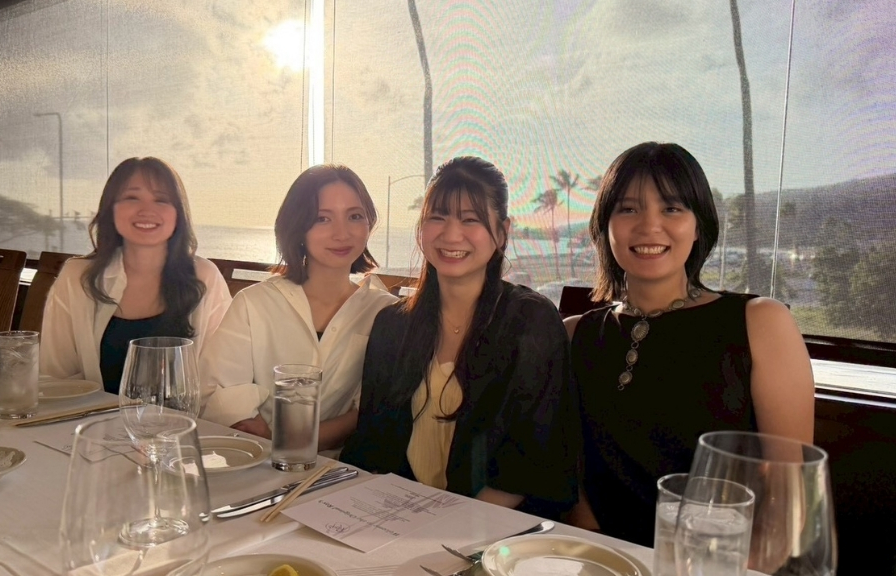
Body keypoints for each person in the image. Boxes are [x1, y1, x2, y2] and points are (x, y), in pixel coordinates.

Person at [565, 142, 815, 545]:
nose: (649, 226)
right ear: (604, 226)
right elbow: (571, 474)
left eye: (671, 208)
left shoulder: (762, 323)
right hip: (602, 557)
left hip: (718, 559)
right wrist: (595, 551)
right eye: (628, 209)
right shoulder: (575, 334)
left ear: (699, 225)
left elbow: (788, 500)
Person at [341, 156, 578, 516]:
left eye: (470, 219)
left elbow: (531, 465)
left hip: (495, 528)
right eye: (437, 217)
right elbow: (373, 446)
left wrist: (445, 527)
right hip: (398, 518)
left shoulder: (530, 322)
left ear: (502, 232)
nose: (451, 235)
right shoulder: (392, 324)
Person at [204, 164, 397, 451]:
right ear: (297, 226)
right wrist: (270, 443)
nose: (342, 233)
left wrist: (286, 440)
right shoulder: (253, 303)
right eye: (322, 218)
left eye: (355, 216)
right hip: (255, 457)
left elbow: (372, 411)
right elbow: (219, 395)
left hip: (345, 469)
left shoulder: (387, 313)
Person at [40, 157, 231, 405]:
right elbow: (56, 378)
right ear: (111, 208)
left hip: (180, 426)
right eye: (132, 198)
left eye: (161, 199)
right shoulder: (77, 276)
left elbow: (220, 379)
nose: (146, 210)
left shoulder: (204, 276)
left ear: (178, 214)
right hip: (90, 423)